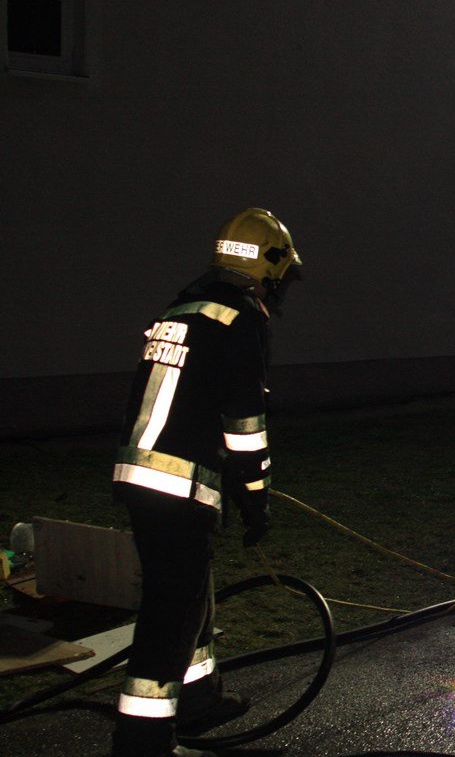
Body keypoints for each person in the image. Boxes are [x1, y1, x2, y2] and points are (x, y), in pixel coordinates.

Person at [110, 208, 302, 757]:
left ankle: (196, 700)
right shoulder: (240, 318)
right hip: (176, 485)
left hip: (139, 476)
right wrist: (256, 498)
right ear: (266, 264)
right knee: (170, 614)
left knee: (191, 595)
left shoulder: (183, 309)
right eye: (280, 272)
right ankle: (143, 739)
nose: (280, 285)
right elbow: (245, 425)